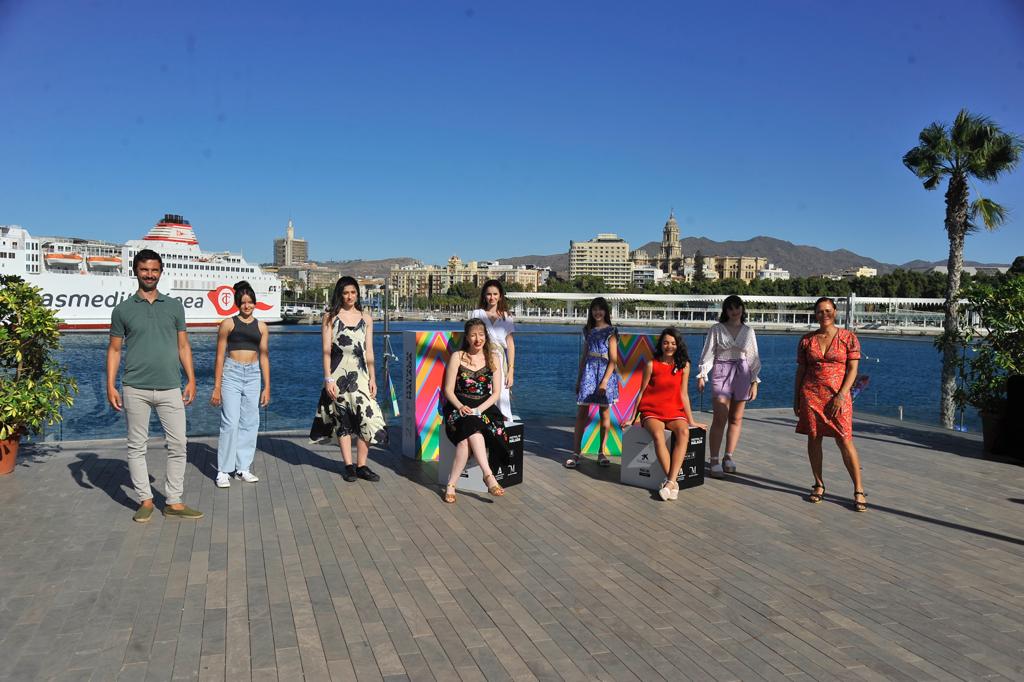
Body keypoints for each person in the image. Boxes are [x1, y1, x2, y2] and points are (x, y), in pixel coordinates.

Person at [106, 248, 203, 522]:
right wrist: (110, 385)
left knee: (179, 444)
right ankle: (145, 500)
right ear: (135, 271)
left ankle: (173, 501)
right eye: (144, 270)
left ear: (161, 272)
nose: (149, 275)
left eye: (154, 270)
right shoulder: (122, 310)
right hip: (134, 387)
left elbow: (183, 345)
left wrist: (192, 379)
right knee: (137, 446)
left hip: (171, 386)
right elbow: (114, 350)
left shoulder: (174, 307)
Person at [310, 276, 387, 482]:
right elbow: (326, 350)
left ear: (357, 294)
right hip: (337, 374)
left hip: (361, 375)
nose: (349, 296)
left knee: (369, 419)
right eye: (345, 292)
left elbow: (369, 351)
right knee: (342, 420)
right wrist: (328, 379)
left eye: (353, 292)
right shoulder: (330, 318)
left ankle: (362, 465)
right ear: (340, 294)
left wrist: (373, 378)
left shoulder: (366, 318)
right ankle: (349, 466)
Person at [794, 297, 868, 512]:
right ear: (815, 314)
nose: (824, 315)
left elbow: (853, 370)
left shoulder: (848, 338)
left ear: (835, 312)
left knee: (845, 440)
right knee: (814, 439)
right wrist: (796, 398)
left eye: (828, 310)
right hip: (811, 395)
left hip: (839, 397)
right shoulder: (806, 340)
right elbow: (801, 370)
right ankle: (818, 484)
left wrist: (842, 395)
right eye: (819, 311)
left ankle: (858, 489)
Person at [630, 327, 706, 501]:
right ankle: (673, 482)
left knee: (684, 432)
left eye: (673, 343)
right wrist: (632, 418)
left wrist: (692, 421)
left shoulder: (684, 366)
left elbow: (684, 394)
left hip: (674, 411)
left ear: (678, 345)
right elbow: (640, 392)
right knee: (658, 434)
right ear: (661, 344)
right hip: (652, 410)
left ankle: (670, 482)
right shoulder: (651, 364)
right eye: (666, 342)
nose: (669, 346)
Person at [441, 318, 509, 503]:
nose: (477, 339)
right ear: (467, 338)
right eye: (473, 335)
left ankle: (451, 485)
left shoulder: (493, 358)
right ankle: (488, 476)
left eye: (481, 335)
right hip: (458, 406)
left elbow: (495, 393)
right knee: (469, 432)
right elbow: (448, 390)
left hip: (485, 407)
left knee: (468, 437)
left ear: (485, 337)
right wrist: (460, 406)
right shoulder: (457, 356)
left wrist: (479, 409)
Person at [210, 281, 271, 488]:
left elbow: (264, 357)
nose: (247, 306)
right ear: (237, 303)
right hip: (232, 373)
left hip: (253, 374)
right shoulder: (228, 324)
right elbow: (219, 356)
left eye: (250, 302)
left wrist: (267, 386)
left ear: (255, 303)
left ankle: (243, 467)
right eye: (243, 302)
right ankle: (223, 470)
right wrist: (217, 386)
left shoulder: (262, 327)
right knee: (230, 422)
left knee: (250, 422)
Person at [697, 295, 761, 478]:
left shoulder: (749, 331)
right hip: (721, 371)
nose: (735, 311)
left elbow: (753, 358)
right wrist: (702, 375)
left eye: (737, 307)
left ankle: (728, 456)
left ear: (742, 309)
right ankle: (714, 458)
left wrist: (754, 381)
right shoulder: (717, 329)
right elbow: (708, 353)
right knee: (720, 417)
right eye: (730, 308)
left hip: (743, 373)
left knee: (736, 418)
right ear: (725, 311)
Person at [567, 297, 619, 468]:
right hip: (589, 373)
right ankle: (575, 452)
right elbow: (584, 356)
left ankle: (601, 452)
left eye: (601, 309)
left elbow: (613, 360)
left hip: (605, 373)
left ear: (606, 311)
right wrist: (579, 378)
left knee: (604, 414)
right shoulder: (588, 330)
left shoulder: (611, 331)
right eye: (594, 309)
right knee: (581, 413)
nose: (597, 312)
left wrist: (604, 382)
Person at [468, 279, 516, 421]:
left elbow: (510, 344)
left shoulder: (506, 317)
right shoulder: (477, 314)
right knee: (483, 394)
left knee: (501, 395)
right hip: (481, 359)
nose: (492, 297)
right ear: (484, 296)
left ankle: (502, 434)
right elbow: (470, 338)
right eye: (489, 294)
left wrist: (511, 371)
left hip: (500, 363)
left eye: (495, 294)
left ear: (500, 296)